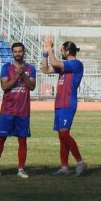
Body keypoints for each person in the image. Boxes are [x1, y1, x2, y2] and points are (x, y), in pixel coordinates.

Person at [41, 36, 86, 176]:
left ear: (67, 51)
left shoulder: (76, 64)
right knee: (61, 136)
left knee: (64, 133)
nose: (60, 52)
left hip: (68, 103)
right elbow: (46, 69)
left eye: (62, 50)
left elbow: (54, 62)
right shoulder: (63, 67)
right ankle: (64, 167)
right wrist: (44, 54)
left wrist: (49, 49)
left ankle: (80, 162)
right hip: (59, 103)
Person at [0, 42, 36, 179]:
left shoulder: (30, 68)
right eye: (15, 51)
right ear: (12, 53)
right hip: (7, 110)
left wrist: (23, 75)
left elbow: (32, 86)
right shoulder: (6, 67)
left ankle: (21, 169)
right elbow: (4, 87)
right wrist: (17, 76)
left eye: (20, 51)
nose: (18, 53)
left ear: (24, 52)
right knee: (1, 138)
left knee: (22, 140)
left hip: (23, 111)